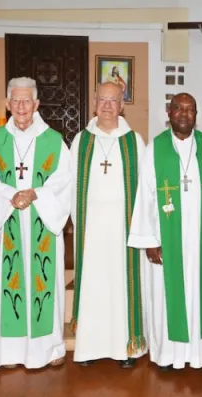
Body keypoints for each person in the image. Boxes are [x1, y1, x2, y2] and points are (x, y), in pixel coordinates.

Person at [127, 93, 202, 371]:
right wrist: (149, 241)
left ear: (196, 115)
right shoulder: (155, 148)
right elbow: (145, 196)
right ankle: (167, 354)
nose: (184, 114)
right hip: (167, 239)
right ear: (169, 112)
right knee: (166, 296)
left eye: (190, 110)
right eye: (179, 109)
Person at [0, 77, 72, 370]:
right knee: (12, 282)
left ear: (36, 104)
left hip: (42, 219)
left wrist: (35, 194)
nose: (21, 107)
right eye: (15, 101)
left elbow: (64, 181)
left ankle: (50, 348)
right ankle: (11, 352)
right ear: (7, 104)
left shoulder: (54, 140)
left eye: (26, 101)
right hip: (10, 220)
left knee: (45, 283)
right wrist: (11, 195)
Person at [70, 82, 147, 368]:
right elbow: (70, 186)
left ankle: (125, 348)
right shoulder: (82, 141)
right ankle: (89, 347)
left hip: (122, 229)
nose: (106, 105)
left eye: (113, 100)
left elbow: (144, 187)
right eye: (102, 99)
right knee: (92, 284)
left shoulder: (134, 141)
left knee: (121, 285)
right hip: (90, 229)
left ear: (122, 105)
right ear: (93, 102)